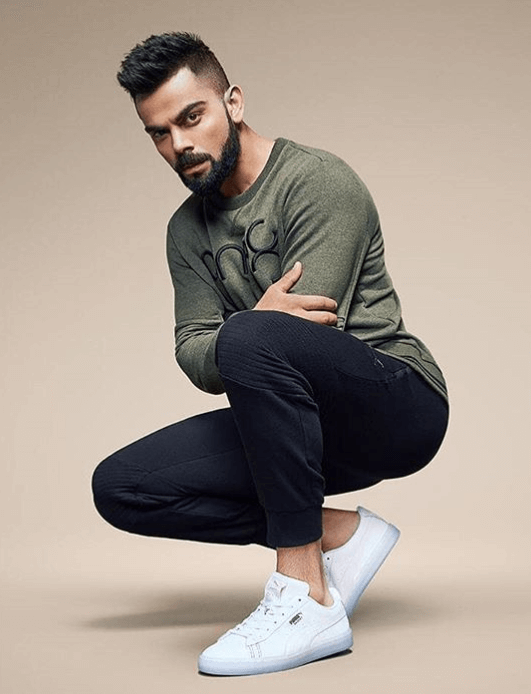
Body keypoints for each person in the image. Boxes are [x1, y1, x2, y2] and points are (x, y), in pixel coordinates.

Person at [92, 32, 449, 676]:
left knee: (251, 336)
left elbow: (312, 327)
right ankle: (340, 535)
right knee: (122, 488)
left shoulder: (316, 181)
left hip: (395, 403)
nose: (179, 145)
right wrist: (248, 330)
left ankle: (305, 594)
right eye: (159, 133)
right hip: (289, 425)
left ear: (233, 101)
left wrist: (240, 332)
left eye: (192, 117)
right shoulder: (186, 230)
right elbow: (194, 355)